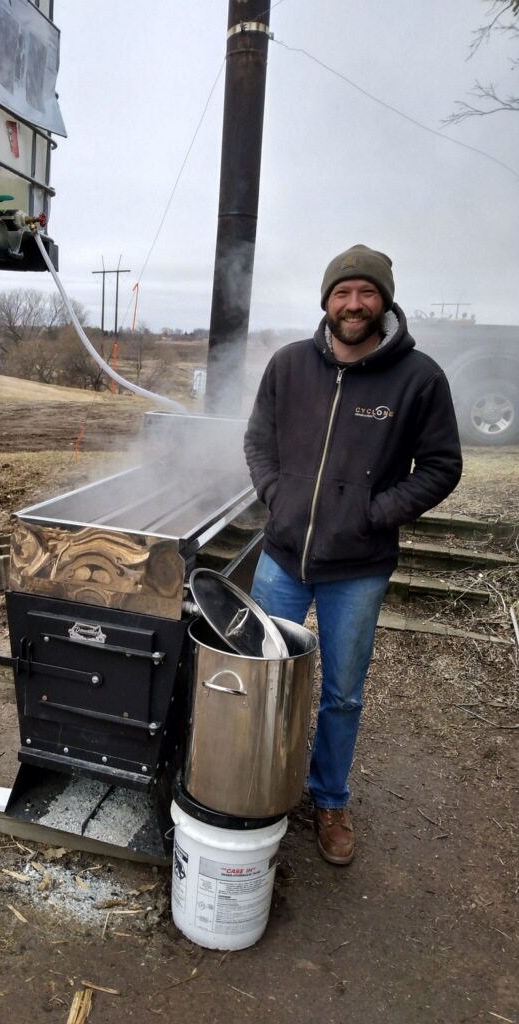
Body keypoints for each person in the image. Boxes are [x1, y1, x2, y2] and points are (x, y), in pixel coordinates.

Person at [243, 244, 462, 866]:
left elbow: (442, 467)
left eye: (367, 292)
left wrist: (374, 513)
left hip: (358, 570)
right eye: (343, 292)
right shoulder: (289, 365)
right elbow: (258, 440)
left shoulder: (419, 377)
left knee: (341, 692)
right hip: (282, 557)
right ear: (327, 300)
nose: (354, 303)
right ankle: (255, 784)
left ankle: (328, 799)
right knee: (261, 677)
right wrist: (274, 494)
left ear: (384, 300)